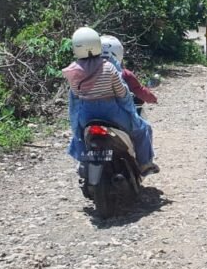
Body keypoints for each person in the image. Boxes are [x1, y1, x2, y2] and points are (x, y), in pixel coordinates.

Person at [62, 28, 158, 175]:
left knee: (79, 136)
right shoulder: (109, 67)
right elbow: (122, 93)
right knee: (142, 129)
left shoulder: (72, 71)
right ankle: (145, 164)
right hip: (112, 112)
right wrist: (129, 111)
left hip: (86, 115)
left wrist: (76, 123)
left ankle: (82, 164)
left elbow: (76, 95)